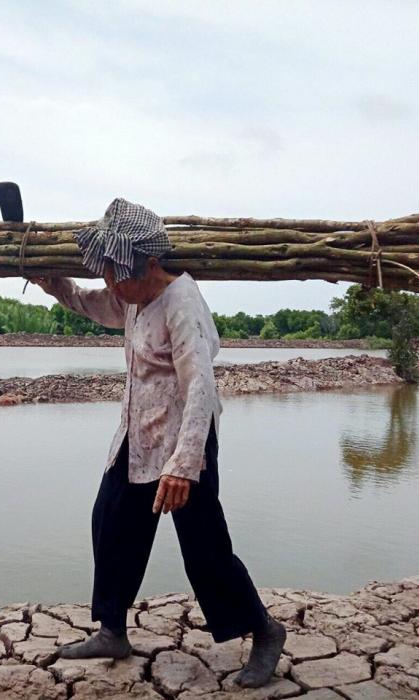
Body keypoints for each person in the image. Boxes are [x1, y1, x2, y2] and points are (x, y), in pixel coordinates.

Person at [31, 197, 286, 688]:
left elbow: (200, 386)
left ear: (151, 264)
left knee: (205, 550)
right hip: (136, 437)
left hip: (184, 442)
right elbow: (94, 303)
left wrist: (184, 463)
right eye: (107, 273)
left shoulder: (181, 302)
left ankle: (265, 630)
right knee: (110, 523)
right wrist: (56, 285)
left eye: (118, 274)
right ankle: (112, 630)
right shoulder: (131, 296)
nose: (112, 283)